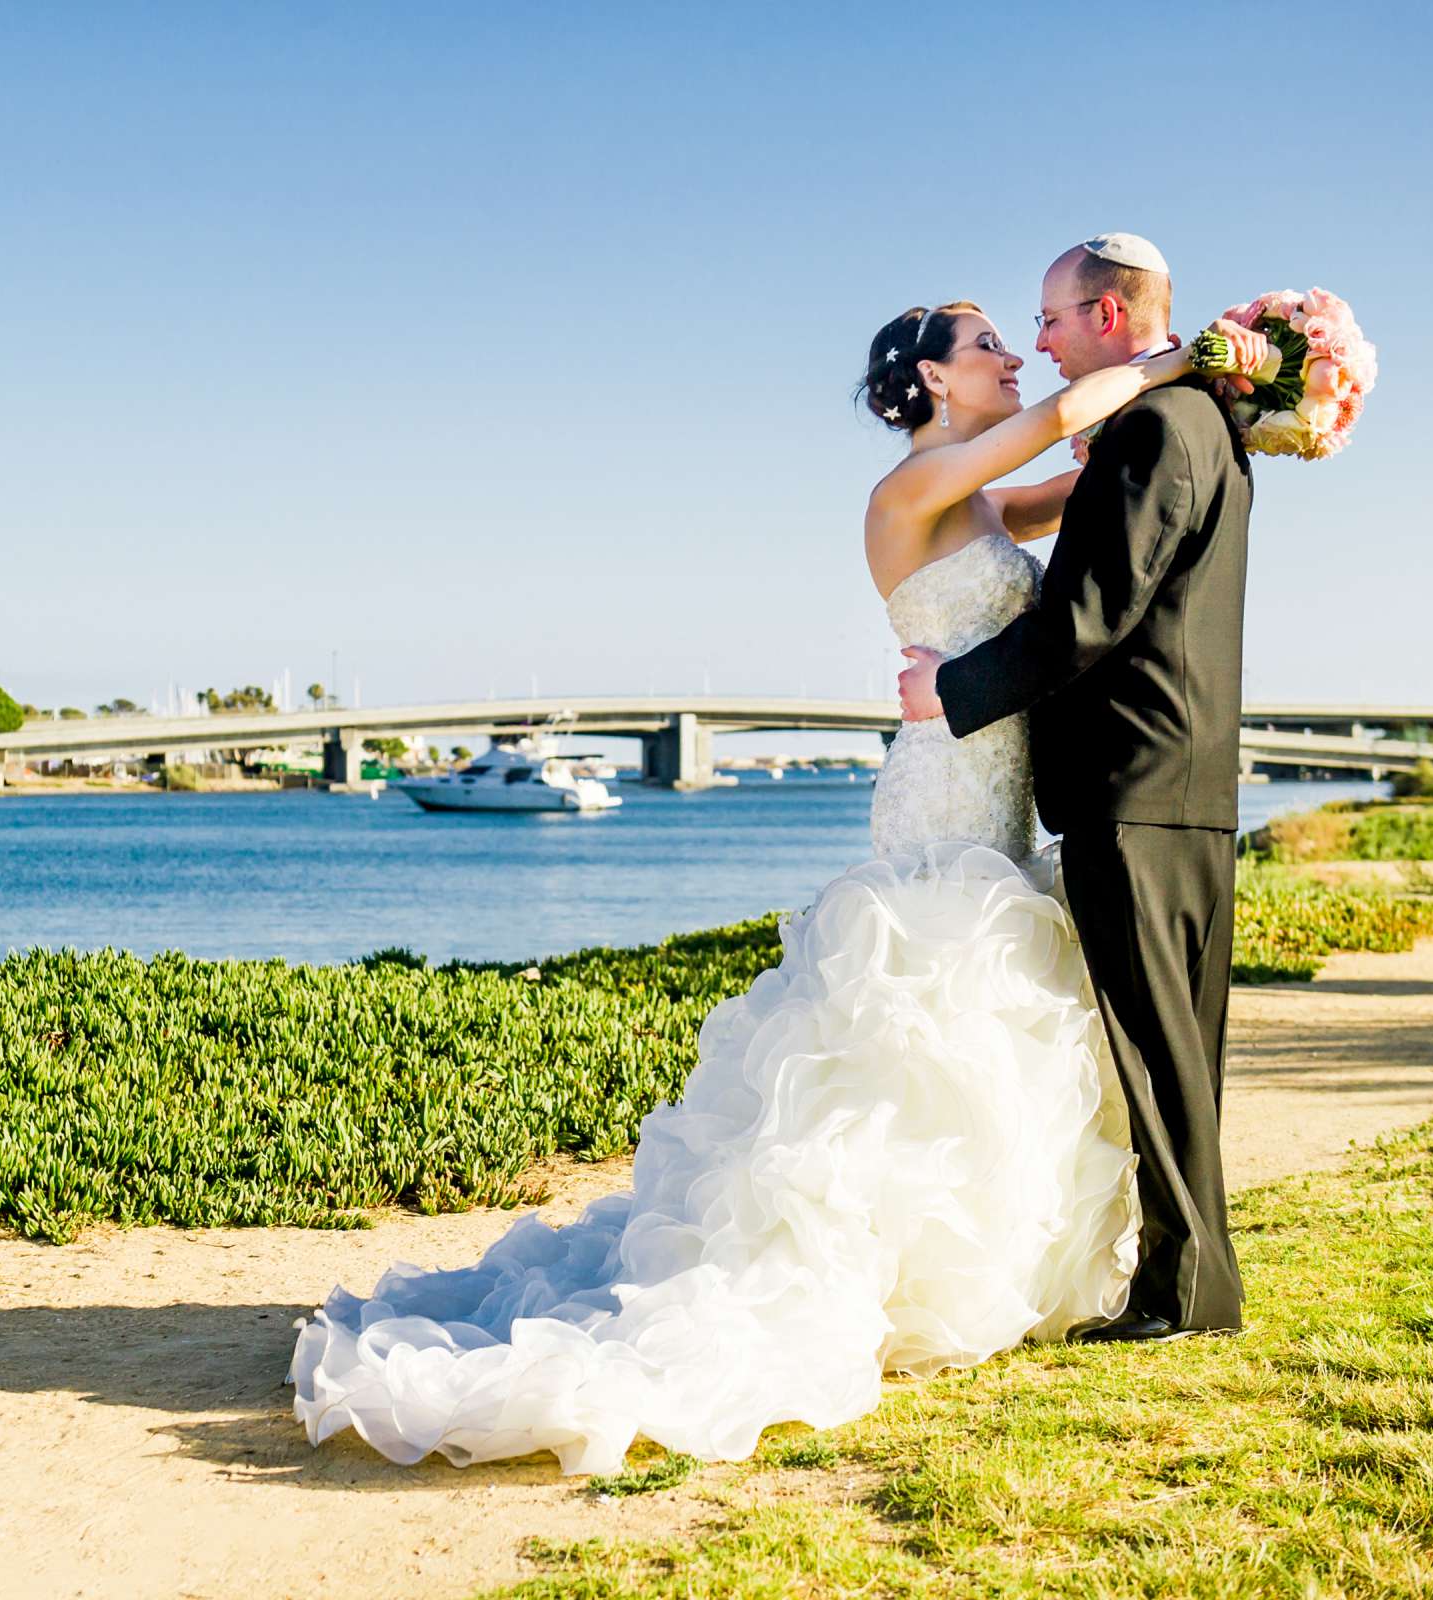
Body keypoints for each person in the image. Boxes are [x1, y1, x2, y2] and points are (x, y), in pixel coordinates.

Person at [288, 237, 1266, 1474]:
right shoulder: (907, 494)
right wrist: (1198, 354)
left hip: (1009, 787)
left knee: (990, 1029)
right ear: (926, 382)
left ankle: (1011, 1263)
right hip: (945, 792)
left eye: (1026, 328)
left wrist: (1234, 405)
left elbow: (1090, 494)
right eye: (985, 343)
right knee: (914, 1024)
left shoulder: (977, 496)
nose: (1013, 349)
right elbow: (1074, 417)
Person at [895, 232, 1256, 1342]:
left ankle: (1180, 1293)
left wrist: (948, 690)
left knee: (1153, 1050)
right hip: (1186, 777)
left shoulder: (1151, 424)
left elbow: (1086, 620)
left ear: (1106, 318)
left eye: (1046, 321)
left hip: (1129, 783)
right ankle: (1196, 1285)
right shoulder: (1206, 427)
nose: (1037, 341)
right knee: (1179, 1046)